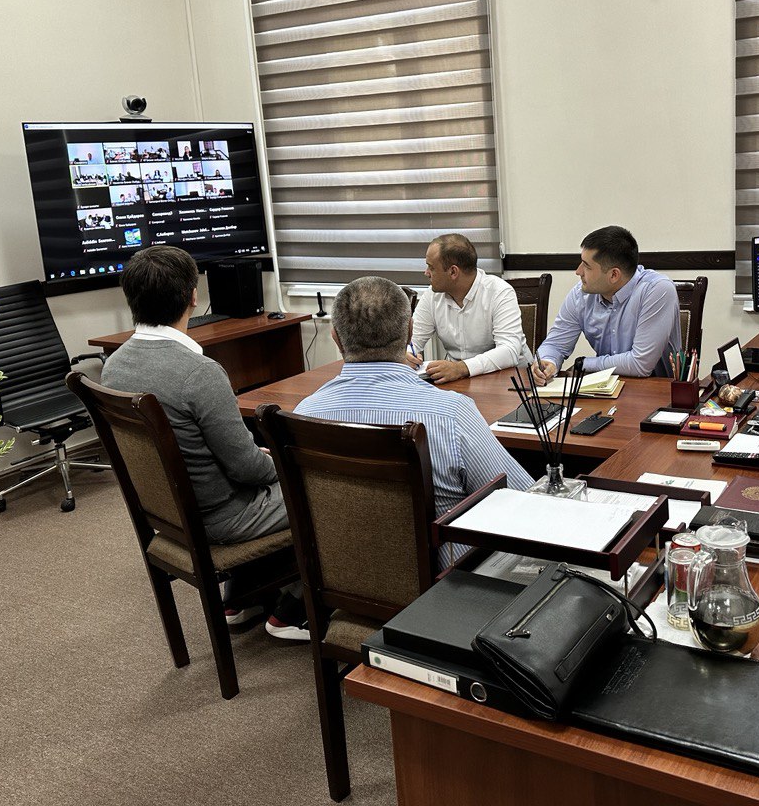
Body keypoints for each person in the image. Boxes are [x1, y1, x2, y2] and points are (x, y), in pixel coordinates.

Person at [100, 245, 308, 640]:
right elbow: (247, 469)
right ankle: (295, 609)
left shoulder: (114, 366)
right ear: (193, 297)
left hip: (169, 512)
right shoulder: (200, 373)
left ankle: (243, 596)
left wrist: (258, 460)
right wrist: (276, 462)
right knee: (326, 488)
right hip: (223, 519)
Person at [296, 275, 533, 558]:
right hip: (449, 578)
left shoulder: (304, 416)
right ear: (410, 332)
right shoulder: (450, 414)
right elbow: (520, 500)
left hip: (341, 573)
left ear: (335, 336)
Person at [533, 225, 682, 384]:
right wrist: (548, 361)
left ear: (613, 275)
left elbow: (640, 364)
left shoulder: (657, 290)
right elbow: (555, 344)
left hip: (656, 390)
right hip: (604, 389)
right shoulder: (581, 295)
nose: (578, 271)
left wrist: (583, 364)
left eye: (587, 266)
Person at [407, 233, 527, 383]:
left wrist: (461, 368)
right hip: (459, 382)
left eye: (431, 267)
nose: (426, 273)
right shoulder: (432, 295)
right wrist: (406, 355)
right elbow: (411, 341)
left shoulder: (499, 292)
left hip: (510, 381)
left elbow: (509, 351)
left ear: (453, 272)